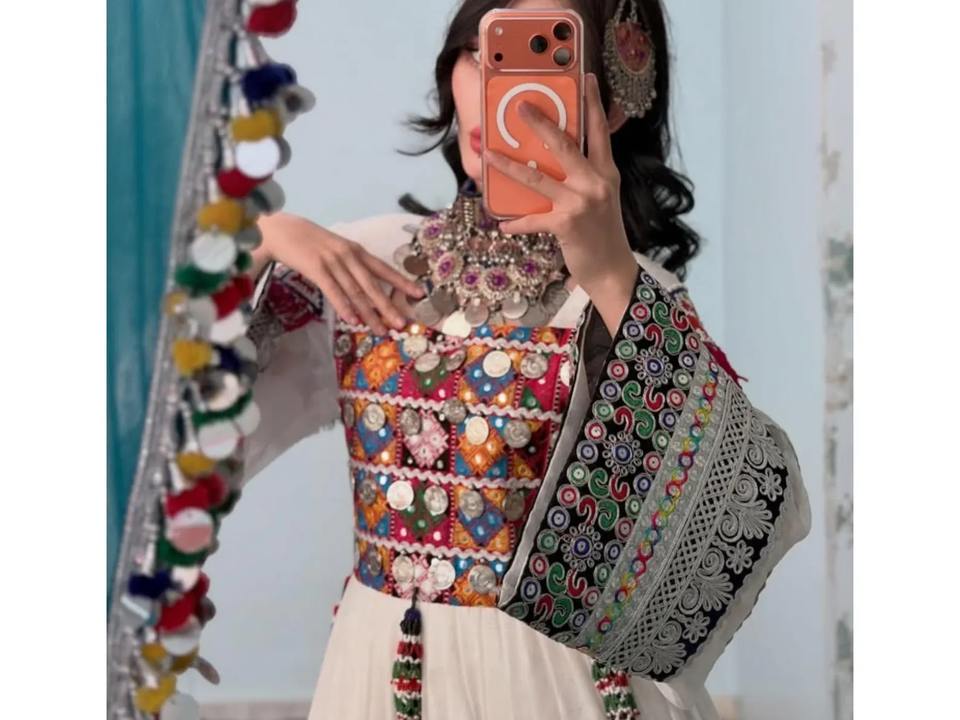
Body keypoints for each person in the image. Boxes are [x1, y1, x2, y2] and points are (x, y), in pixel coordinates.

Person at [244, 1, 731, 718]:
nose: (499, 88)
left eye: (543, 58)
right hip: (384, 674)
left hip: (563, 687)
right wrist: (256, 238)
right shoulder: (363, 264)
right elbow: (177, 420)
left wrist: (608, 275)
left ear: (612, 102)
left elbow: (722, 520)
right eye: (483, 52)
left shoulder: (635, 298)